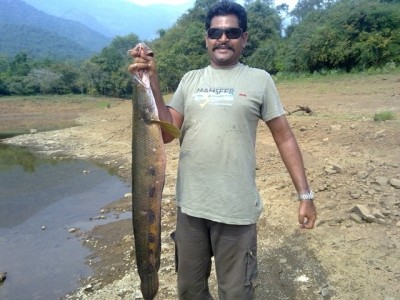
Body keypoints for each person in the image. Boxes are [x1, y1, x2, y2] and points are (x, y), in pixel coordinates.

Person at [129, 1, 317, 299]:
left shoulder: (259, 80)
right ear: (207, 38)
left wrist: (305, 196)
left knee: (236, 292)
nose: (223, 38)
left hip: (236, 211)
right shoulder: (190, 80)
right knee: (190, 291)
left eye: (232, 32)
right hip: (191, 208)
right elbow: (165, 134)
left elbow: (285, 138)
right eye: (216, 32)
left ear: (244, 38)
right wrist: (151, 81)